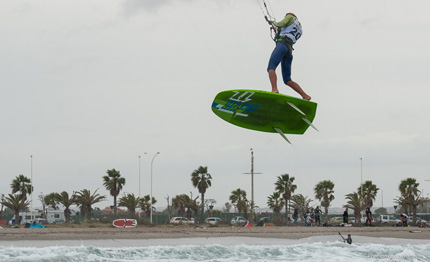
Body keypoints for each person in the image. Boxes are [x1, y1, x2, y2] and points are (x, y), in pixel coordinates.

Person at [267, 13, 311, 100]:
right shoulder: (300, 29)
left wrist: (273, 23)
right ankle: (305, 96)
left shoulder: (290, 17)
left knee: (271, 68)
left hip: (282, 45)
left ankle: (274, 89)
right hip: (289, 51)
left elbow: (281, 23)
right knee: (287, 80)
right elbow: (288, 32)